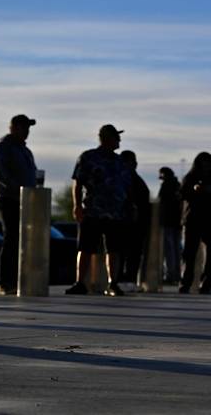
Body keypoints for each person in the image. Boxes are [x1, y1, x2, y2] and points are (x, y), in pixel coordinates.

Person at [65, 124, 132, 296]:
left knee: (114, 249)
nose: (119, 141)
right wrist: (77, 205)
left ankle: (113, 283)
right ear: (106, 138)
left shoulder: (120, 162)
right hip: (93, 211)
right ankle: (80, 282)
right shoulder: (89, 157)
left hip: (115, 212)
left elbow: (126, 187)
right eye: (116, 137)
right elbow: (78, 182)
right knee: (86, 247)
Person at [0, 114, 38, 295]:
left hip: (27, 201)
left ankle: (20, 280)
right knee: (11, 239)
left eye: (28, 128)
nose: (26, 132)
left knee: (22, 241)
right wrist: (15, 188)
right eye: (23, 128)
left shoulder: (25, 150)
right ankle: (6, 283)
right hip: (9, 199)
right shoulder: (3, 147)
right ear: (13, 128)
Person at [179, 152, 211, 294]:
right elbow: (182, 194)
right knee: (189, 253)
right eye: (203, 163)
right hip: (194, 219)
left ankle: (206, 283)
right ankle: (186, 282)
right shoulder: (190, 178)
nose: (205, 166)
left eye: (208, 163)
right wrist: (194, 190)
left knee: (210, 255)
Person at [119, 150, 150, 285]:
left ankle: (123, 279)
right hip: (129, 222)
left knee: (129, 253)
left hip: (133, 222)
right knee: (128, 254)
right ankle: (124, 279)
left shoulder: (130, 180)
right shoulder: (134, 180)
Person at [158, 167, 182, 283]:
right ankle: (176, 274)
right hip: (177, 221)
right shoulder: (178, 185)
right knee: (176, 249)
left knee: (169, 249)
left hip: (168, 220)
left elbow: (161, 202)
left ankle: (170, 274)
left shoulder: (167, 185)